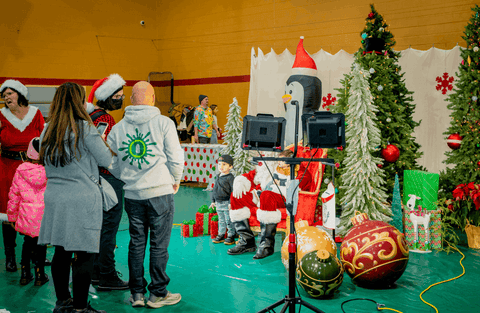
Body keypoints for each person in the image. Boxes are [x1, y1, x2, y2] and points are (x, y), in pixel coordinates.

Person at [107, 81, 184, 309]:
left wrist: (124, 176)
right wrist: (175, 179)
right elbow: (175, 156)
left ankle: (137, 294)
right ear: (152, 98)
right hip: (160, 191)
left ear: (131, 99)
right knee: (159, 245)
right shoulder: (164, 123)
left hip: (132, 194)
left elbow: (110, 160)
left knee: (136, 243)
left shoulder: (118, 128)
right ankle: (158, 293)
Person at [38, 82, 113, 313]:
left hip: (54, 197)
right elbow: (106, 160)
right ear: (80, 103)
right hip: (82, 198)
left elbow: (42, 158)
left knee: (61, 251)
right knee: (85, 254)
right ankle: (80, 308)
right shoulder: (85, 128)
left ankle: (63, 303)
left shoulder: (47, 128)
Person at [228, 149, 313, 259]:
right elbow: (252, 175)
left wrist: (287, 185)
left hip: (282, 198)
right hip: (262, 195)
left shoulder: (296, 168)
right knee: (236, 196)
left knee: (266, 195)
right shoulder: (269, 167)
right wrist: (240, 182)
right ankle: (246, 241)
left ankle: (266, 246)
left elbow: (303, 179)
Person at [86, 73, 129, 291]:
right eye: (118, 96)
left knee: (98, 227)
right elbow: (103, 150)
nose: (121, 99)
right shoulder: (104, 119)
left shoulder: (89, 115)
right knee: (108, 227)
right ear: (107, 97)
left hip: (91, 177)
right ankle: (106, 274)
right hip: (107, 177)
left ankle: (95, 270)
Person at [0, 79, 45, 273]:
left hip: (34, 171)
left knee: (34, 211)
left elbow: (45, 141)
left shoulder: (36, 114)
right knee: (7, 212)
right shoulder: (1, 116)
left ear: (20, 94)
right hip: (7, 168)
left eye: (10, 93)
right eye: (4, 95)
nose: (6, 97)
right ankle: (10, 256)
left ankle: (35, 254)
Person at [7, 137, 49, 286]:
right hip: (44, 216)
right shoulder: (50, 171)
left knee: (26, 243)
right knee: (40, 245)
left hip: (26, 215)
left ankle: (25, 273)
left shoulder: (21, 170)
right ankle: (40, 275)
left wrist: (12, 216)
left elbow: (14, 195)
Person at [210, 155, 236, 245]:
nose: (221, 167)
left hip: (226, 203)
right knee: (221, 220)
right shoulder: (218, 176)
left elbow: (233, 191)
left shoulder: (230, 178)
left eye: (224, 164)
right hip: (218, 203)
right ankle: (221, 234)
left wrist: (230, 202)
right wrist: (213, 201)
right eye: (219, 164)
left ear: (230, 166)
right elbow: (214, 189)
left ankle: (231, 235)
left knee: (228, 220)